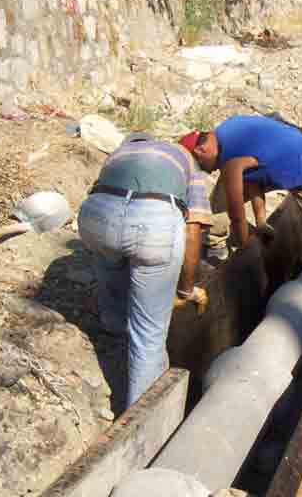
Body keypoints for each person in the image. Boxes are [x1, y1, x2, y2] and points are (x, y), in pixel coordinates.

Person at [78, 132, 212, 407]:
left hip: (95, 219)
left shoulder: (118, 154)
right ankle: (141, 423)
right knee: (149, 338)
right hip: (153, 227)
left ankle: (114, 326)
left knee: (109, 261)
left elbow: (102, 197)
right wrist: (186, 289)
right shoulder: (186, 159)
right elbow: (193, 230)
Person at [181, 115, 302, 250]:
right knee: (224, 189)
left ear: (200, 151)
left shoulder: (231, 162)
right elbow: (253, 179)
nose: (208, 171)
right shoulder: (229, 132)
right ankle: (216, 240)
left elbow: (237, 216)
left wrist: (244, 248)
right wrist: (261, 221)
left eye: (200, 165)